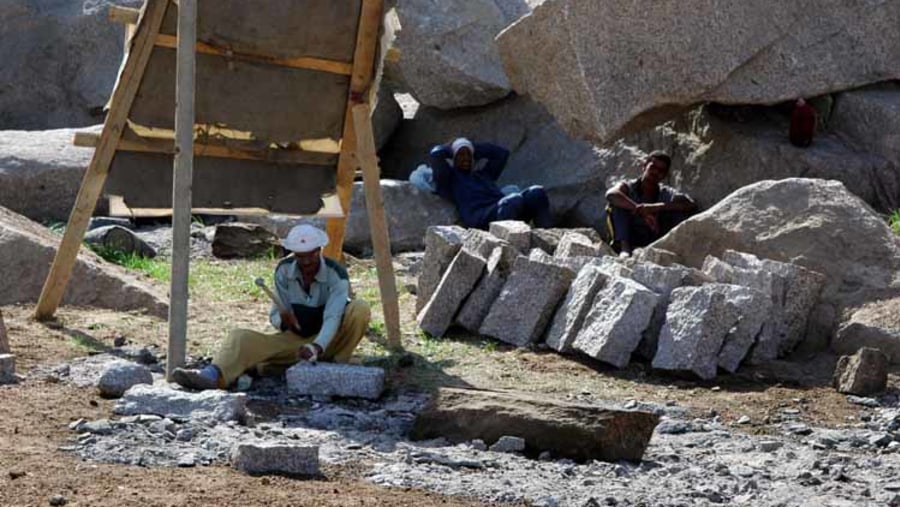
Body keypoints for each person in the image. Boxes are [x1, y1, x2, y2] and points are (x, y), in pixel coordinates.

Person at [172, 225, 371, 390]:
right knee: (240, 337)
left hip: (333, 339)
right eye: (301, 257)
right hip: (297, 342)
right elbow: (275, 314)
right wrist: (283, 322)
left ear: (319, 251)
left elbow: (333, 317)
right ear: (294, 254)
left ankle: (334, 362)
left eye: (311, 255)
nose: (307, 262)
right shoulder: (284, 271)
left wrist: (316, 346)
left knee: (359, 308)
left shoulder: (336, 274)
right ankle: (213, 376)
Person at [429, 137, 552, 230]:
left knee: (536, 192)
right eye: (460, 155)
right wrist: (453, 147)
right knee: (514, 199)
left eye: (468, 155)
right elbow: (436, 155)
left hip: (505, 210)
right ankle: (506, 241)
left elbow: (501, 154)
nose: (466, 158)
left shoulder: (484, 175)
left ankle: (547, 236)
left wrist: (472, 147)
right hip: (481, 218)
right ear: (453, 159)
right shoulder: (449, 179)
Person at [605, 151, 697, 256]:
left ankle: (669, 250)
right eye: (653, 167)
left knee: (677, 211)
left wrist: (656, 207)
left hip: (652, 238)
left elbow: (690, 205)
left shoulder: (665, 192)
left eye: (661, 171)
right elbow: (611, 194)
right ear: (644, 166)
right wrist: (640, 210)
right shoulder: (628, 186)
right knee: (615, 205)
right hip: (628, 235)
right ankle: (624, 249)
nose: (656, 172)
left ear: (664, 176)